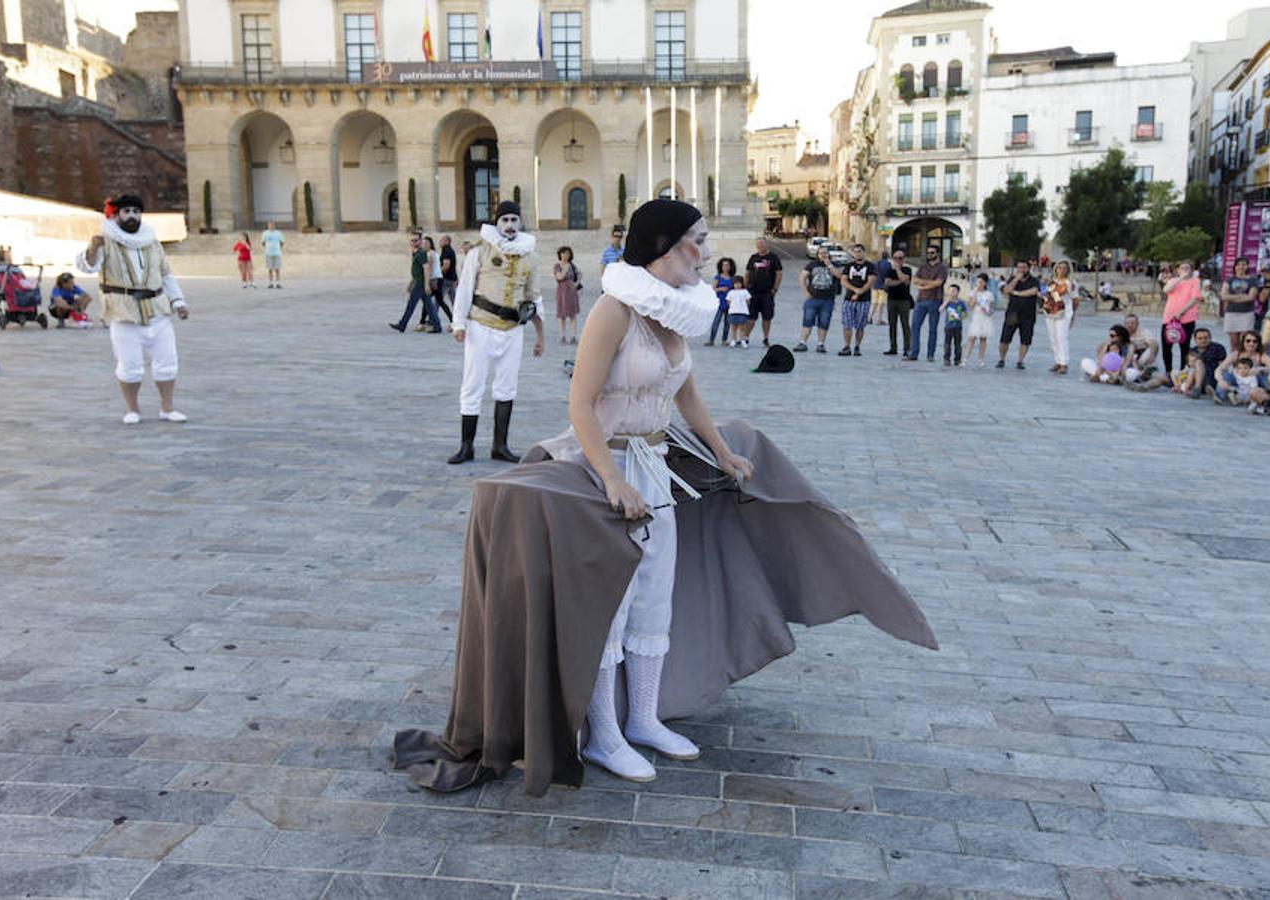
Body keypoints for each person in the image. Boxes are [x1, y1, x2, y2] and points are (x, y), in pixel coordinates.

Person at [392, 199, 937, 795]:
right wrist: (612, 478)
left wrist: (722, 453)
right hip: (603, 465)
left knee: (653, 598)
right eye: (695, 241)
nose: (704, 253)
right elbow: (579, 405)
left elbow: (687, 394)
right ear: (663, 247)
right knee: (612, 602)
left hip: (655, 464)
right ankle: (603, 733)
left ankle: (643, 718)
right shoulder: (614, 311)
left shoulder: (670, 313)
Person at [76, 193, 190, 425]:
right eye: (126, 212)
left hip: (157, 308)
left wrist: (178, 302)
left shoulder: (151, 242)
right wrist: (92, 247)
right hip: (123, 312)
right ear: (116, 215)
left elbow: (166, 274)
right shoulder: (106, 241)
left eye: (136, 212)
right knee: (130, 365)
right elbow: (87, 266)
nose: (131, 216)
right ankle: (132, 409)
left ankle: (167, 408)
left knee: (167, 362)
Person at [447, 201, 545, 464]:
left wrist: (540, 335)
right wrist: (459, 324)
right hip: (480, 325)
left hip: (513, 329)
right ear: (497, 223)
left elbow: (534, 296)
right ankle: (466, 446)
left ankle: (499, 446)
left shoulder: (531, 256)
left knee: (507, 387)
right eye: (505, 220)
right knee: (473, 385)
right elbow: (465, 288)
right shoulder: (479, 252)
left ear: (520, 223)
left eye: (514, 220)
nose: (510, 225)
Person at [1128, 326, 1226, 397]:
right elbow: (1187, 367)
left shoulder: (1217, 348)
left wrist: (1220, 381)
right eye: (1200, 338)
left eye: (1206, 338)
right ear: (1195, 340)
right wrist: (1178, 379)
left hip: (1208, 377)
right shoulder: (1192, 350)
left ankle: (1197, 388)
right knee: (1164, 377)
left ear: (1210, 338)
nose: (1203, 340)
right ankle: (1144, 386)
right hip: (1189, 377)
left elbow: (1222, 366)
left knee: (1198, 362)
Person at [795, 246, 841, 353]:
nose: (823, 255)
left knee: (824, 321)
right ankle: (803, 343)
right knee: (808, 320)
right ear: (817, 255)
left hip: (828, 299)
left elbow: (839, 276)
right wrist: (805, 292)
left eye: (825, 253)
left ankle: (821, 344)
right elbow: (802, 277)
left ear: (829, 254)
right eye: (821, 253)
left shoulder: (834, 265)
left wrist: (829, 265)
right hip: (813, 298)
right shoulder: (812, 265)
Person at [996, 259, 1040, 369]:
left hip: (1028, 314)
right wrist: (1016, 279)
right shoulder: (1012, 279)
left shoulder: (1034, 280)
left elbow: (1033, 291)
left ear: (1028, 268)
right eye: (1019, 267)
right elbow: (1006, 290)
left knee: (1025, 339)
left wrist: (1016, 293)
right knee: (1005, 338)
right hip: (1012, 313)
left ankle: (1020, 361)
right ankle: (1002, 359)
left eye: (1024, 267)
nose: (1021, 270)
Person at [1160, 260, 1203, 373]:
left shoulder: (1195, 281)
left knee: (1184, 347)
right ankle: (1168, 372)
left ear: (1191, 270)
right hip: (1169, 319)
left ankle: (1183, 372)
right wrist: (1179, 278)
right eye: (1182, 268)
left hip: (1186, 319)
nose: (1185, 270)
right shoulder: (1173, 280)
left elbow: (1194, 299)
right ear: (1178, 270)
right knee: (1166, 347)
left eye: (1187, 268)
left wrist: (1181, 312)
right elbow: (1166, 290)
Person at [907, 244, 947, 361]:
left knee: (932, 328)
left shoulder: (942, 268)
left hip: (935, 300)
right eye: (928, 253)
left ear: (938, 254)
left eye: (932, 253)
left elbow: (938, 283)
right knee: (915, 326)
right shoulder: (923, 266)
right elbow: (915, 280)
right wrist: (929, 283)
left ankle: (930, 354)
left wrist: (923, 285)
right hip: (920, 300)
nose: (929, 255)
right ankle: (914, 353)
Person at [1211, 330, 1270, 405]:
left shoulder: (1261, 356)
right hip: (1238, 382)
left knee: (1266, 376)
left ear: (1258, 343)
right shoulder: (1236, 354)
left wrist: (1260, 369)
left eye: (1255, 341)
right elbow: (1220, 369)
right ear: (1243, 342)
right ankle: (1219, 396)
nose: (1251, 343)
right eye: (1248, 341)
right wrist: (1220, 380)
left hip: (1254, 384)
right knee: (1226, 375)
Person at [389, 232, 433, 334]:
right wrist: (410, 283)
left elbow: (426, 269)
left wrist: (426, 284)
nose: (414, 242)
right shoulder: (415, 252)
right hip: (417, 282)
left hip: (420, 284)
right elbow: (415, 271)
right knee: (429, 305)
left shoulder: (421, 253)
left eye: (416, 240)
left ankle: (402, 324)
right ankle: (437, 325)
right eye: (412, 240)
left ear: (421, 241)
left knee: (411, 305)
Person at [745, 237, 782, 347]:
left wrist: (774, 289)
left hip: (767, 292)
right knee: (751, 317)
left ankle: (765, 338)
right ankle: (745, 337)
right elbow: (747, 273)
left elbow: (779, 274)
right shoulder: (753, 258)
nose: (760, 247)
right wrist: (745, 287)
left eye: (762, 244)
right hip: (753, 292)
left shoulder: (773, 258)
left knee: (767, 317)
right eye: (758, 245)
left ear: (766, 245)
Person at [1043, 259, 1078, 375]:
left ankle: (1064, 363)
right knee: (1053, 336)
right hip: (1051, 311)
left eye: (1064, 268)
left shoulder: (1070, 283)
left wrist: (1073, 314)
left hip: (1064, 311)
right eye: (1059, 267)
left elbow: (1075, 299)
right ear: (1055, 269)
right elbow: (1045, 295)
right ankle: (1057, 360)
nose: (1061, 270)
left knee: (1061, 336)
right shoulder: (1051, 281)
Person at [839, 243, 874, 356]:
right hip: (849, 299)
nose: (857, 253)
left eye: (859, 251)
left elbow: (871, 281)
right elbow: (843, 280)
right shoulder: (848, 266)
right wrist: (854, 290)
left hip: (864, 300)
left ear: (864, 252)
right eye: (855, 252)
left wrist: (860, 292)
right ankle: (847, 346)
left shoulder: (870, 266)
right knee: (847, 324)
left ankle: (857, 346)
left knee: (860, 325)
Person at [1220, 258, 1259, 352]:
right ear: (1235, 267)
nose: (1241, 267)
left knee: (1244, 341)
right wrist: (1242, 296)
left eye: (1244, 264)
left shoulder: (1252, 280)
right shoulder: (1229, 280)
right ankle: (1235, 364)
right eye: (1239, 264)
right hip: (1231, 313)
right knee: (1234, 342)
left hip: (1246, 313)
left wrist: (1232, 297)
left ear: (1247, 266)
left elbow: (1251, 297)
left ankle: (1244, 363)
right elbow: (1224, 296)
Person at [882, 248, 912, 356]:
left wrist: (898, 271)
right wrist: (900, 281)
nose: (897, 260)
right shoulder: (889, 270)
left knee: (905, 324)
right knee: (892, 324)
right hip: (891, 300)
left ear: (904, 259)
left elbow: (906, 280)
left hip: (904, 301)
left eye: (900, 258)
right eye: (895, 258)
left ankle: (907, 348)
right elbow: (887, 283)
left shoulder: (907, 269)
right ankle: (893, 347)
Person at [963, 273, 994, 366]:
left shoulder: (989, 294)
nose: (978, 284)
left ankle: (981, 359)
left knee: (983, 338)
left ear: (985, 283)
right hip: (976, 317)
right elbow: (971, 306)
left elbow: (992, 309)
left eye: (981, 282)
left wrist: (988, 311)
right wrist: (975, 294)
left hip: (985, 318)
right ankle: (965, 359)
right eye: (977, 282)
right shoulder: (973, 292)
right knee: (971, 338)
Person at [554, 245, 582, 345]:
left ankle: (573, 336)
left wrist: (576, 283)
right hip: (561, 291)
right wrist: (565, 268)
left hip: (571, 291)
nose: (565, 255)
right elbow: (560, 277)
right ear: (560, 254)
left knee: (572, 314)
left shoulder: (573, 266)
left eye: (567, 253)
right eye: (563, 253)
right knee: (561, 314)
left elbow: (580, 274)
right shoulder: (557, 266)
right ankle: (562, 336)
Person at [707, 257, 736, 347]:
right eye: (724, 265)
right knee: (716, 322)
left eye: (727, 265)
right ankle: (711, 340)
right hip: (719, 302)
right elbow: (713, 289)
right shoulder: (718, 277)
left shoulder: (733, 278)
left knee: (727, 323)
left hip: (729, 303)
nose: (725, 267)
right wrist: (720, 289)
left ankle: (724, 340)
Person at [940, 283, 966, 367]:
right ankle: (946, 359)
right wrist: (946, 301)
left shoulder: (961, 302)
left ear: (958, 292)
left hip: (958, 326)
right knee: (947, 343)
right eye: (950, 291)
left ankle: (957, 359)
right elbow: (940, 309)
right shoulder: (947, 302)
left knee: (958, 344)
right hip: (948, 326)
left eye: (954, 291)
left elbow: (965, 313)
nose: (951, 292)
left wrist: (961, 316)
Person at [435, 236, 458, 322]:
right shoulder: (450, 250)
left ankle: (433, 320)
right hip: (451, 279)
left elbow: (446, 266)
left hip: (446, 279)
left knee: (438, 300)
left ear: (447, 242)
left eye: (441, 240)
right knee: (454, 302)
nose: (439, 242)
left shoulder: (446, 250)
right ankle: (457, 320)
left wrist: (438, 274)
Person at [726, 275, 751, 347]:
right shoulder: (731, 292)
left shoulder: (745, 292)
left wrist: (743, 307)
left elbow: (748, 301)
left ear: (742, 284)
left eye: (739, 283)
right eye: (735, 283)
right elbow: (728, 301)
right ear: (733, 284)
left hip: (742, 312)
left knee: (742, 328)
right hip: (733, 312)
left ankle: (742, 340)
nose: (737, 285)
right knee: (733, 327)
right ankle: (733, 340)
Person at [261, 221, 284, 289]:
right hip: (268, 253)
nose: (271, 226)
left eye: (272, 225)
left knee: (277, 268)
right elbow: (262, 243)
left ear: (274, 225)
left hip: (277, 253)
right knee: (270, 268)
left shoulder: (278, 233)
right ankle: (270, 283)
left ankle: (278, 283)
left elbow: (282, 242)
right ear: (268, 226)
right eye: (269, 225)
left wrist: (277, 247)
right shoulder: (265, 233)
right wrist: (268, 247)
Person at [869, 249, 890, 325]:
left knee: (874, 302)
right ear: (887, 256)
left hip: (875, 285)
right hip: (883, 286)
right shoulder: (888, 264)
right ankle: (879, 319)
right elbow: (888, 276)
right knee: (881, 303)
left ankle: (869, 317)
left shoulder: (875, 263)